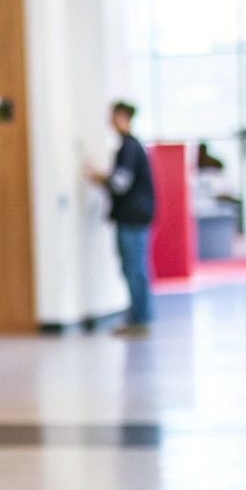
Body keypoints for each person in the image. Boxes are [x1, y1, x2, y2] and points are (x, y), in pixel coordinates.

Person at [87, 101, 155, 339]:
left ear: (122, 116)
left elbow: (120, 183)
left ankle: (140, 320)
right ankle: (138, 317)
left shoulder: (129, 147)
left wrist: (99, 177)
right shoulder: (132, 147)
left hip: (132, 217)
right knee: (133, 268)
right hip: (135, 216)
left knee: (134, 268)